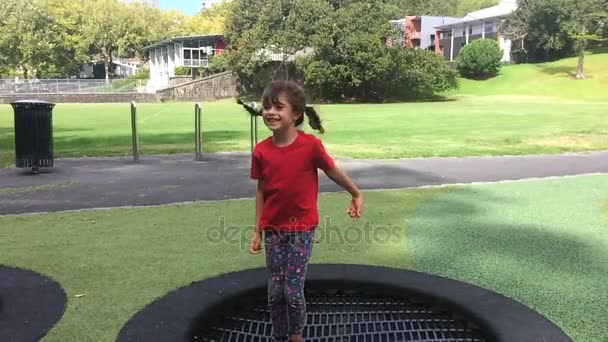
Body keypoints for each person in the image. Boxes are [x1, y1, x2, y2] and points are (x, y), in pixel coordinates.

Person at [247, 80, 363, 342]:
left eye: (279, 107)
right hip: (274, 231)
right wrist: (257, 230)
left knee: (291, 288)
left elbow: (332, 170)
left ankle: (296, 334)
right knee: (275, 289)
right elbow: (261, 192)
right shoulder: (261, 151)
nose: (270, 112)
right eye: (266, 107)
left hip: (301, 229)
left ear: (296, 113)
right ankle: (279, 335)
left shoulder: (310, 146)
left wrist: (355, 193)